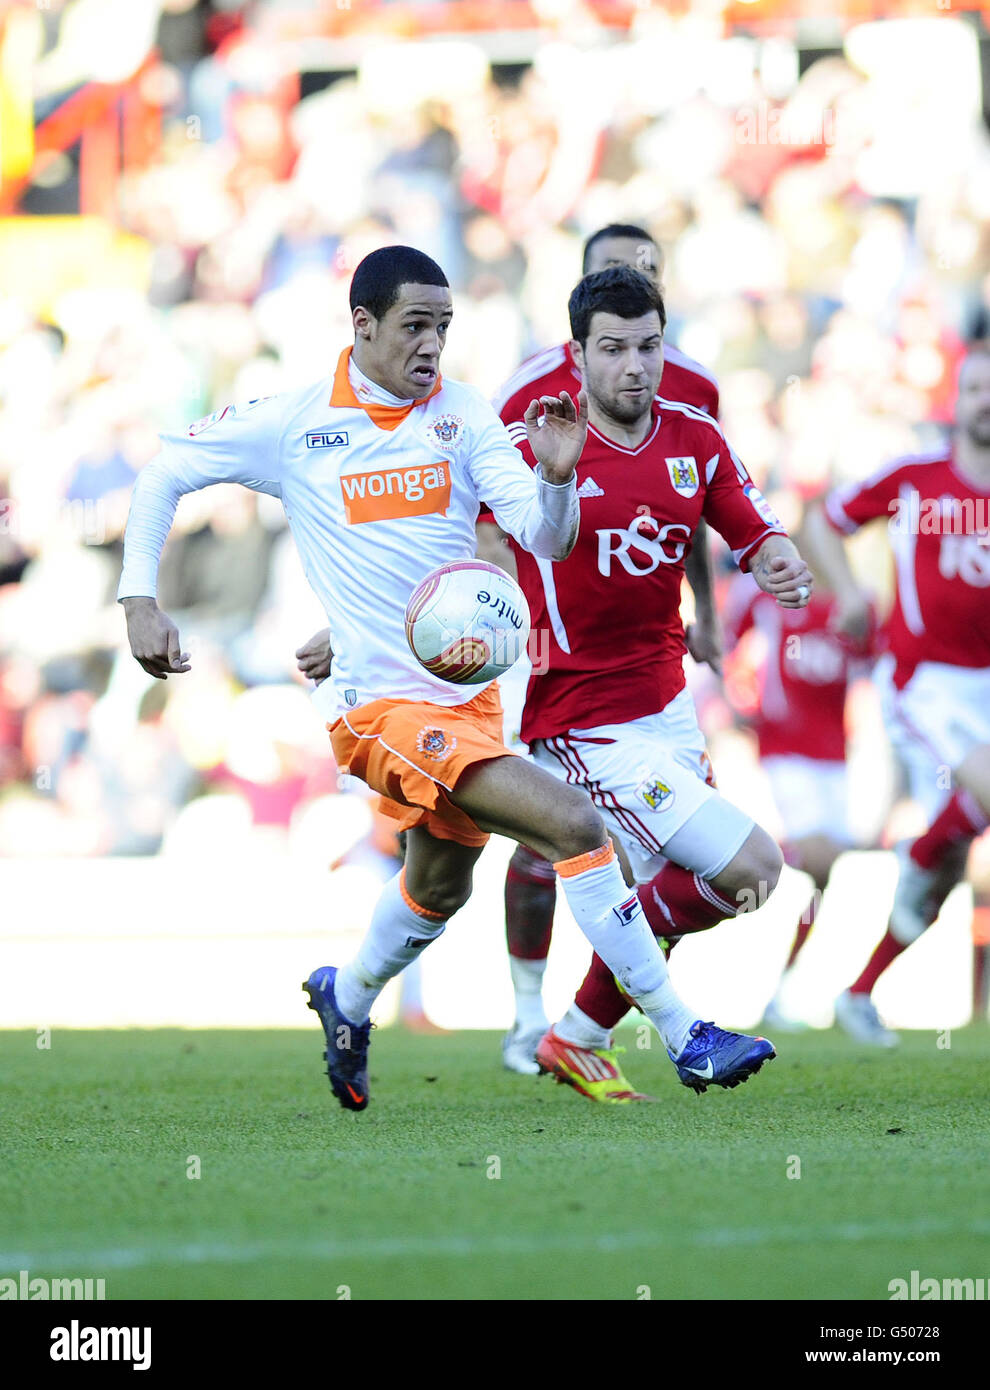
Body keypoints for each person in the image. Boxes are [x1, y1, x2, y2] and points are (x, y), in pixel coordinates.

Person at [118, 244, 777, 1111]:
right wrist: (139, 598)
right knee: (575, 824)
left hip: (467, 706)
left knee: (437, 888)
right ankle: (684, 1034)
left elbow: (548, 540)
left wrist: (556, 475)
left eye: (444, 327)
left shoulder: (464, 414)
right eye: (415, 327)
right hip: (375, 709)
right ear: (363, 326)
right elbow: (166, 470)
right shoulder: (296, 423)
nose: (432, 345)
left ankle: (347, 997)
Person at [489, 265, 813, 1102]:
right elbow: (486, 549)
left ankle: (579, 1035)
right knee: (753, 866)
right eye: (615, 350)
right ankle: (675, 1034)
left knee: (719, 886)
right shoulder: (534, 449)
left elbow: (750, 527)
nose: (635, 366)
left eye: (649, 347)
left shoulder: (693, 437)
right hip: (582, 717)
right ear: (578, 355)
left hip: (667, 706)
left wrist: (778, 560)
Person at [480, 223, 725, 1076]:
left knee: (672, 860)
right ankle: (527, 1014)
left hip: (653, 652)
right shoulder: (529, 391)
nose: (627, 282)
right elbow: (494, 513)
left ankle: (584, 1029)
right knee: (556, 835)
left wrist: (710, 615)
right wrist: (498, 625)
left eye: (643, 276)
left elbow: (692, 509)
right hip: (540, 646)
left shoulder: (691, 387)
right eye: (610, 278)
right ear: (577, 318)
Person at [804, 343, 990, 1045]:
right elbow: (824, 519)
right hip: (926, 682)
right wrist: (849, 592)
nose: (986, 401)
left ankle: (859, 991)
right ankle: (938, 840)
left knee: (942, 868)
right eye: (976, 388)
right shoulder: (916, 479)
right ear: (958, 399)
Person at [723, 545, 877, 1031]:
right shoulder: (762, 595)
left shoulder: (854, 609)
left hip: (836, 755)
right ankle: (723, 895)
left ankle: (782, 990)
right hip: (783, 749)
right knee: (814, 859)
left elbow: (874, 671)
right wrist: (730, 705)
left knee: (824, 876)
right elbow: (721, 644)